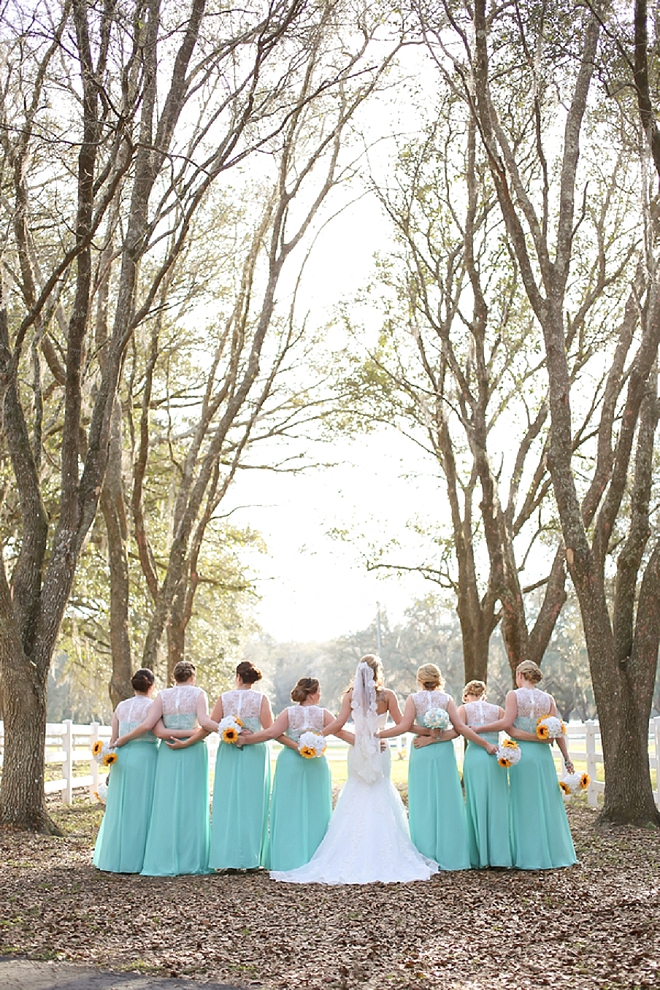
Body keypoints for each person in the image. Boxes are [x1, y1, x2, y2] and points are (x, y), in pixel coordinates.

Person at [267, 655, 438, 884]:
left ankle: (350, 853)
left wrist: (314, 737)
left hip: (359, 749)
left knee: (358, 792)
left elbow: (337, 724)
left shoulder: (350, 696)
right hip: (379, 749)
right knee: (380, 791)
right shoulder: (387, 696)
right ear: (378, 672)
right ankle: (385, 853)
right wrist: (384, 735)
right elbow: (401, 725)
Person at [379, 663, 496, 870]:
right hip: (443, 752)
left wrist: (379, 734)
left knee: (423, 800)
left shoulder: (414, 699)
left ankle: (425, 853)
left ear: (419, 680)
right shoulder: (447, 699)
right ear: (438, 679)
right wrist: (438, 735)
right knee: (447, 800)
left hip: (421, 750)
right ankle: (451, 855)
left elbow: (405, 726)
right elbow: (459, 729)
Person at [167, 660, 273, 870]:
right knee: (253, 802)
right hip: (255, 752)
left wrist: (187, 742)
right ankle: (251, 859)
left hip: (230, 752)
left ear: (238, 677)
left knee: (228, 802)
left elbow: (207, 727)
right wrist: (249, 738)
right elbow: (270, 730)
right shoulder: (262, 699)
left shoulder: (224, 698)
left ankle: (228, 859)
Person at [115, 659, 215, 876]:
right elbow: (205, 721)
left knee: (166, 805)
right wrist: (217, 729)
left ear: (174, 678)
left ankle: (163, 857)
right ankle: (191, 860)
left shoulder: (162, 696)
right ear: (192, 677)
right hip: (194, 750)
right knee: (192, 802)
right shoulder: (199, 694)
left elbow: (157, 731)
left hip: (168, 751)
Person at [476, 659, 577, 870]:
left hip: (522, 755)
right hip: (543, 756)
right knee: (547, 801)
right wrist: (566, 758)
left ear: (521, 674)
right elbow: (557, 732)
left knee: (524, 803)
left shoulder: (513, 695)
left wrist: (478, 729)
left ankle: (529, 856)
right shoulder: (547, 698)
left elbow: (508, 726)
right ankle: (554, 854)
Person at [239, 677, 340, 871]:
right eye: (319, 691)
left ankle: (286, 859)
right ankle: (314, 857)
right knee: (316, 808)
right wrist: (371, 742)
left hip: (290, 763)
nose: (320, 695)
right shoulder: (323, 714)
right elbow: (342, 733)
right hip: (316, 763)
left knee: (288, 808)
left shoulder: (288, 713)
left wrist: (247, 740)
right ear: (311, 694)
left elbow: (272, 733)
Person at [93, 668, 159, 873]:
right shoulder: (153, 706)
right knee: (142, 806)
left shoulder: (121, 706)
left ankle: (113, 858)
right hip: (145, 758)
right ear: (152, 686)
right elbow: (155, 729)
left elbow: (114, 738)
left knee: (120, 807)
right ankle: (138, 860)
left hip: (121, 758)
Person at [457, 679, 512, 869]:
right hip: (496, 757)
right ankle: (500, 857)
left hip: (475, 757)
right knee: (498, 804)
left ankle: (480, 857)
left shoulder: (463, 710)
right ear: (484, 694)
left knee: (477, 802)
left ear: (466, 696)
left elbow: (458, 730)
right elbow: (512, 729)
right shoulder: (497, 711)